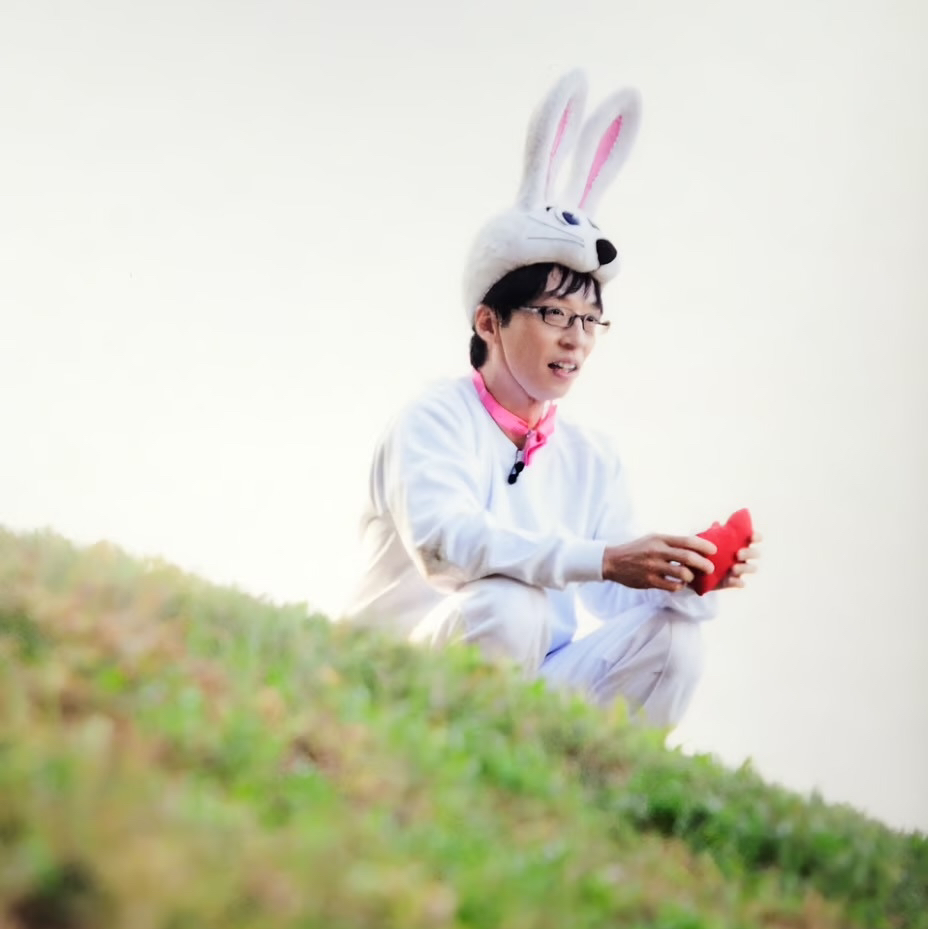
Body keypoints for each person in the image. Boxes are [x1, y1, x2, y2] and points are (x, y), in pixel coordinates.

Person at [343, 70, 759, 728]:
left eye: (591, 320)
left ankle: (584, 785)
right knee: (513, 604)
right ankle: (441, 770)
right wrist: (606, 558)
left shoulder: (593, 456)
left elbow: (614, 592)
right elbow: (446, 546)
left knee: (675, 640)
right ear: (489, 322)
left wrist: (685, 574)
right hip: (395, 678)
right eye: (555, 315)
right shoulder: (431, 419)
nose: (577, 339)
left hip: (529, 678)